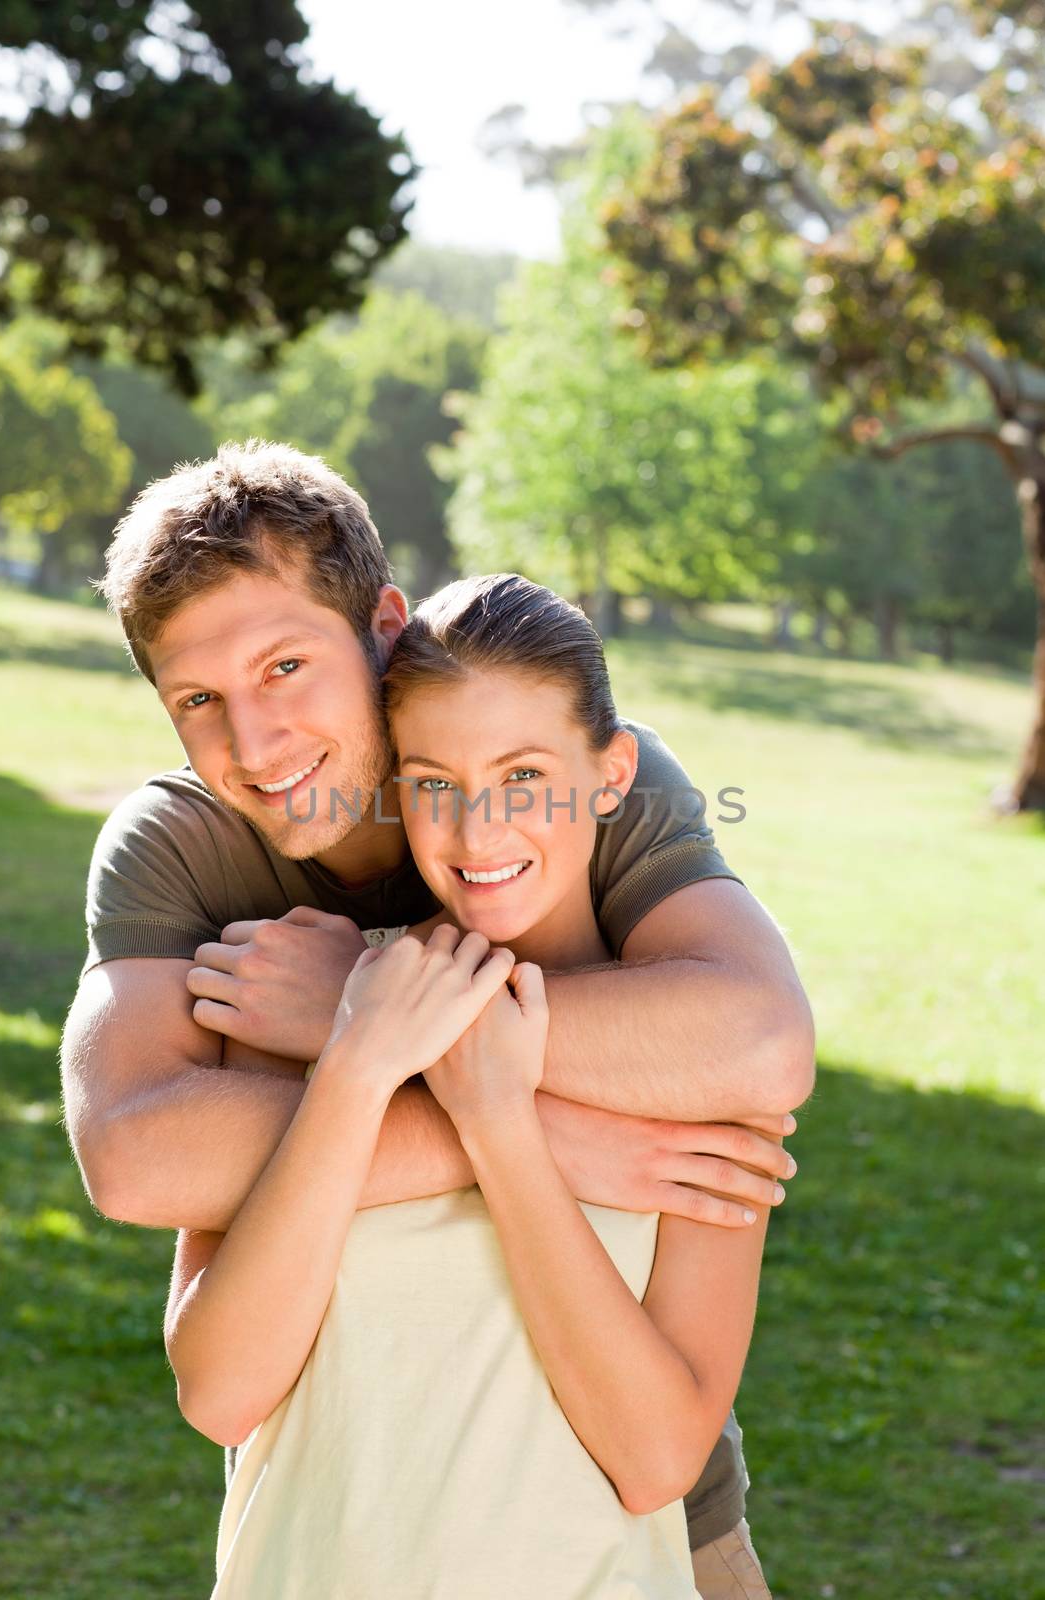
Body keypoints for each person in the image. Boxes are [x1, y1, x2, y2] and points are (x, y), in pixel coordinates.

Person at [60, 440, 814, 1595]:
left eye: (285, 666)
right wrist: (514, 1116)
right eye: (198, 700)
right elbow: (133, 1155)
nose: (254, 748)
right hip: (336, 1527)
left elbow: (756, 1042)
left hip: (623, 1518)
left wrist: (359, 1020)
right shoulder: (185, 851)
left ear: (379, 624)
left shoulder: (568, 766)